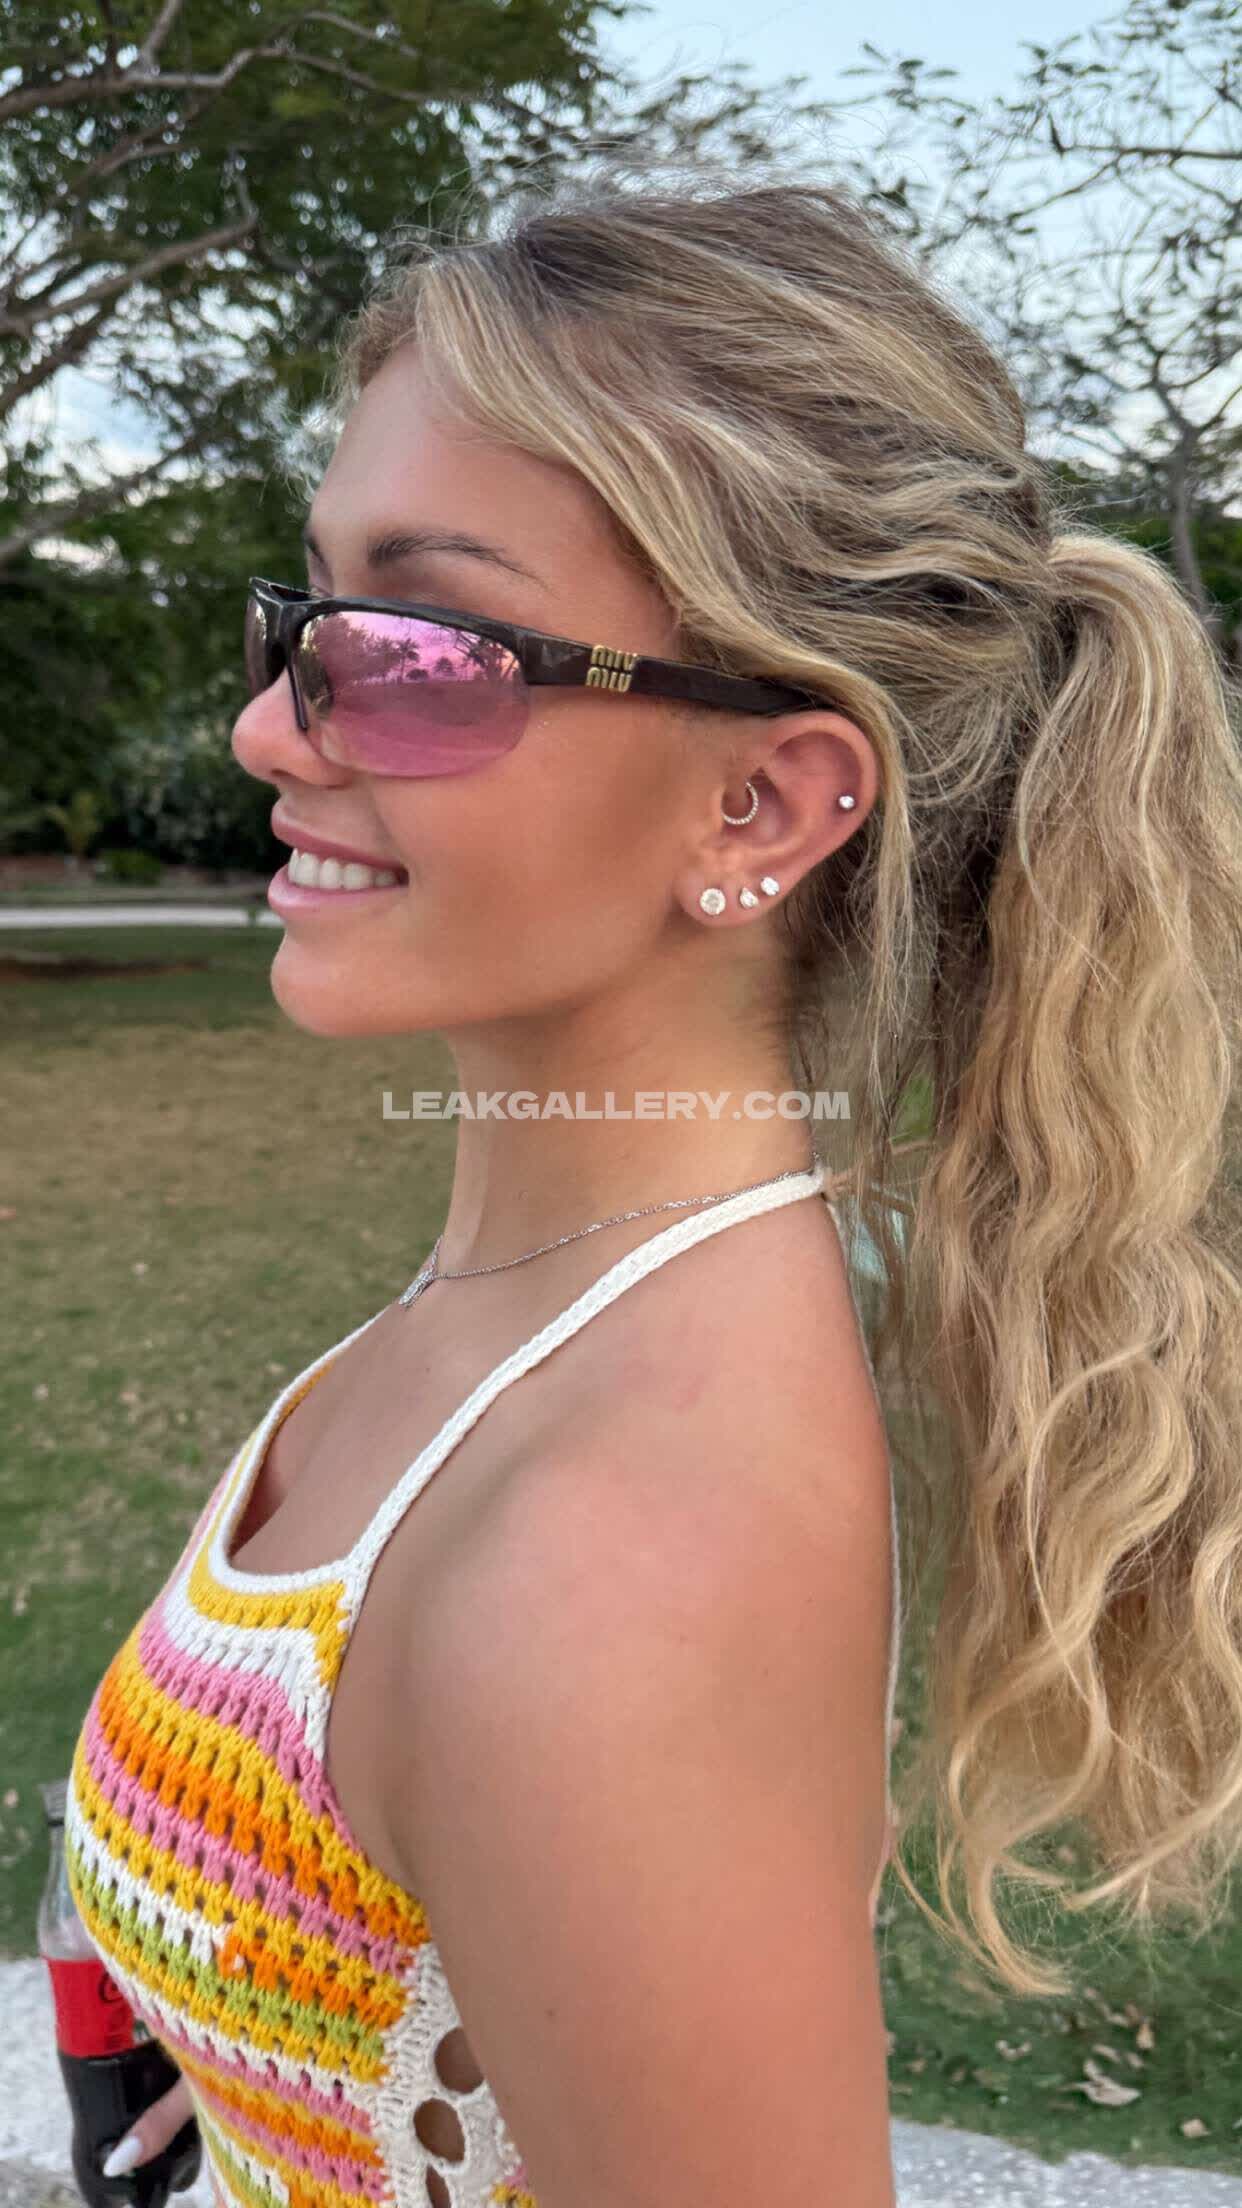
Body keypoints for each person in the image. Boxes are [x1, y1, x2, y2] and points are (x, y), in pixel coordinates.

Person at [62, 172, 1242, 2208]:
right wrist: (259, 2058)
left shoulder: (617, 1555)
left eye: (414, 648)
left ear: (759, 802)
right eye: (311, 620)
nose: (266, 725)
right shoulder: (523, 1311)